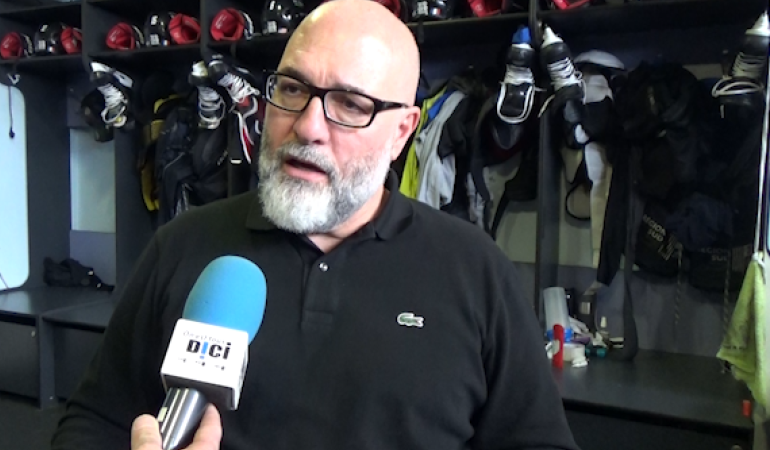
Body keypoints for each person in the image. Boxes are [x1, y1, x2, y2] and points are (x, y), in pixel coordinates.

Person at [51, 1, 580, 449]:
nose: (307, 126)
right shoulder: (182, 245)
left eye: (350, 104)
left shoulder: (477, 270)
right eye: (292, 89)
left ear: (402, 132)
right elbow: (94, 420)